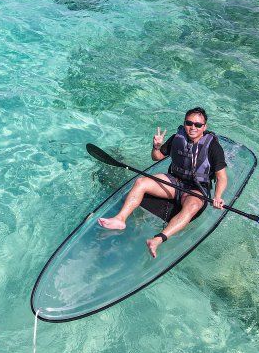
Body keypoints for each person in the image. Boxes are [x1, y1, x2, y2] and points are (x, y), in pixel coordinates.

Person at [97, 107, 228, 258]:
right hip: (174, 181)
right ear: (184, 123)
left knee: (192, 206)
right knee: (141, 182)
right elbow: (157, 157)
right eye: (189, 123)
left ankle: (158, 240)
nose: (193, 127)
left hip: (196, 189)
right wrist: (156, 147)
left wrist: (218, 196)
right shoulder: (178, 138)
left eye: (198, 125)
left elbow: (221, 177)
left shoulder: (212, 146)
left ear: (204, 127)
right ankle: (120, 219)